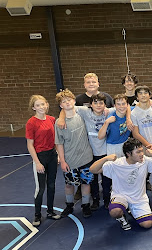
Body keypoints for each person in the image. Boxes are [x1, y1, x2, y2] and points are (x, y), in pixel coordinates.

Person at [89, 138, 152, 231]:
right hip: (121, 195)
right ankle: (121, 218)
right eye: (138, 152)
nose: (141, 154)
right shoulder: (117, 164)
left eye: (142, 151)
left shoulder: (145, 161)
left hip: (139, 198)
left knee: (147, 224)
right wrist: (106, 158)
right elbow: (92, 169)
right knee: (115, 212)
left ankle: (132, 210)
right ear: (128, 154)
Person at [55, 89, 94, 218]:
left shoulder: (81, 113)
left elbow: (96, 109)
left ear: (74, 101)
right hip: (70, 159)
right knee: (69, 184)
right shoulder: (59, 123)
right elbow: (59, 142)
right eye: (63, 102)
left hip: (86, 157)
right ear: (60, 105)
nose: (67, 103)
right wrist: (62, 160)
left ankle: (86, 205)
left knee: (86, 183)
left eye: (69, 100)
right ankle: (69, 205)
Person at [26, 95, 61, 226]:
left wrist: (57, 154)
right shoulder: (31, 122)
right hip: (40, 157)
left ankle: (50, 211)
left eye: (43, 104)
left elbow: (56, 139)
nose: (41, 107)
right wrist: (37, 162)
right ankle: (37, 215)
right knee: (40, 188)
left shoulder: (52, 119)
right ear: (34, 107)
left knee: (51, 185)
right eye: (38, 105)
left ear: (47, 105)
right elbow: (30, 144)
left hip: (51, 155)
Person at [98, 94, 133, 158]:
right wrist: (106, 122)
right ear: (114, 106)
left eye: (123, 104)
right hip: (113, 146)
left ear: (127, 105)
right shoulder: (111, 118)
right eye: (118, 104)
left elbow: (142, 104)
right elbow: (100, 136)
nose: (121, 106)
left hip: (125, 143)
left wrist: (128, 118)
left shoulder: (130, 113)